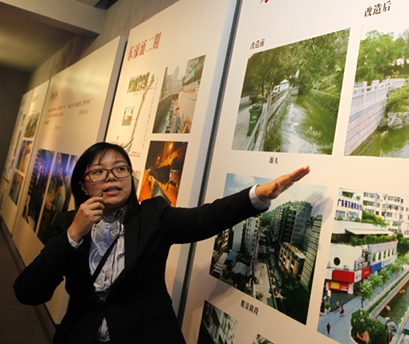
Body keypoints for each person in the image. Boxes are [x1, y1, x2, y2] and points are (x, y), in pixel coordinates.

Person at [14, 142, 310, 344]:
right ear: (83, 184)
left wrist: (258, 195)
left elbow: (205, 219)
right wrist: (73, 235)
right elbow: (28, 291)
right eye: (99, 171)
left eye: (120, 168)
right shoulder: (68, 224)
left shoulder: (153, 216)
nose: (112, 177)